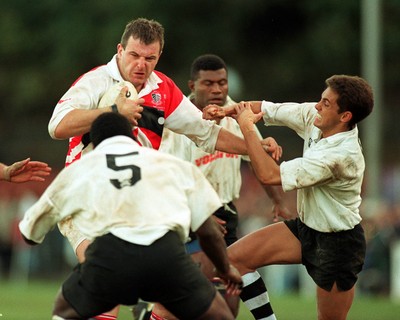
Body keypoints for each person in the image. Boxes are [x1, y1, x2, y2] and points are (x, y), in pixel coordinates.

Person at [48, 18, 279, 319]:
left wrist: (254, 147)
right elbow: (57, 126)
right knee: (105, 282)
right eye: (134, 55)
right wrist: (113, 111)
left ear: (158, 57)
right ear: (120, 50)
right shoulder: (95, 82)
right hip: (87, 196)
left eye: (150, 58)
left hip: (137, 202)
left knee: (172, 297)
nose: (141, 64)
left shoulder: (164, 89)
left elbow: (206, 133)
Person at [19, 112, 243, 320]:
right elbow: (209, 232)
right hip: (166, 256)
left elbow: (29, 233)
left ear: (95, 144)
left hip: (111, 257)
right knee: (220, 315)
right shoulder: (169, 163)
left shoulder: (82, 167)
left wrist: (33, 234)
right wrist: (225, 269)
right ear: (133, 138)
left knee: (64, 309)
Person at [204, 74, 374, 319]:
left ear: (345, 116)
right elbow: (265, 108)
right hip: (305, 229)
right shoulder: (317, 118)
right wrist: (228, 111)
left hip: (338, 245)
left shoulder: (341, 157)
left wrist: (246, 126)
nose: (317, 105)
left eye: (326, 103)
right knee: (231, 261)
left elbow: (268, 174)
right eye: (321, 98)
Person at [150, 54, 290, 320]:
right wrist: (199, 215)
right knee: (199, 294)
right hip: (187, 216)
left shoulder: (238, 114)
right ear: (192, 86)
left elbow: (257, 160)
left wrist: (278, 200)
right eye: (208, 83)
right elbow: (167, 179)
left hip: (225, 212)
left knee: (228, 303)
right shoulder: (180, 122)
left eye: (222, 83)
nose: (217, 90)